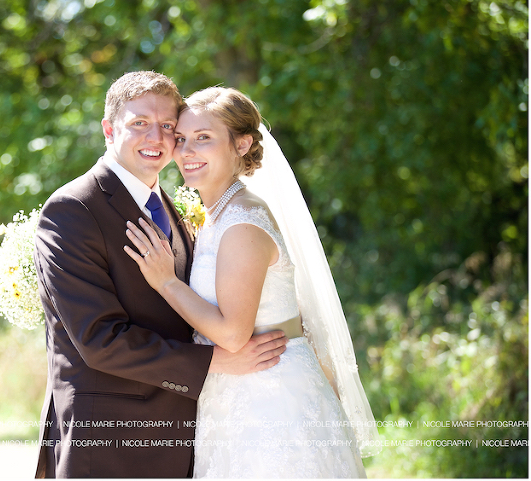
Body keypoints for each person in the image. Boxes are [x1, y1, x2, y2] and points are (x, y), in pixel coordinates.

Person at [33, 72, 288, 478]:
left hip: (184, 431)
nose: (156, 137)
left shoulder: (170, 205)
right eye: (139, 124)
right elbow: (99, 341)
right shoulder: (73, 210)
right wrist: (213, 363)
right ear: (108, 129)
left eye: (168, 127)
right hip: (110, 440)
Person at [125, 87, 380, 478]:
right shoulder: (216, 216)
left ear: (242, 144)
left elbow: (231, 333)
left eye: (204, 138)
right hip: (235, 392)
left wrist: (166, 282)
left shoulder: (242, 221)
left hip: (270, 396)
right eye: (181, 139)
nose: (186, 151)